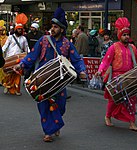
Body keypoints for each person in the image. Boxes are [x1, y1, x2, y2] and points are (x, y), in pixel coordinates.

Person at [15, 7, 86, 142]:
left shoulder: (67, 44)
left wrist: (81, 71)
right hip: (42, 79)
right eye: (52, 26)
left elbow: (76, 59)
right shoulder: (44, 40)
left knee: (61, 106)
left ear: (62, 29)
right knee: (43, 106)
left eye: (55, 27)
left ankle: (55, 123)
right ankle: (48, 131)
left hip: (59, 82)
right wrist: (21, 65)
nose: (52, 29)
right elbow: (32, 55)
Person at [95, 17, 137, 131]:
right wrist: (100, 71)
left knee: (131, 100)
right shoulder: (113, 47)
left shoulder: (133, 48)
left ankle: (131, 123)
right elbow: (106, 61)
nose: (126, 37)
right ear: (120, 35)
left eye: (127, 34)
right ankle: (108, 116)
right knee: (114, 100)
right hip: (117, 78)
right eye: (124, 35)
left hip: (130, 78)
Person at [2, 13, 29, 95]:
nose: (19, 30)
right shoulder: (10, 37)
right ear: (15, 29)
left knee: (17, 74)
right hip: (10, 57)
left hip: (18, 59)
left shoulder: (24, 38)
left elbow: (27, 48)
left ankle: (17, 90)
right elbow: (5, 46)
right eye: (18, 29)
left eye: (21, 29)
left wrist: (30, 55)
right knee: (9, 73)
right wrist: (2, 52)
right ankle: (7, 86)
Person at [0, 20, 8, 85]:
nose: (2, 32)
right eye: (0, 30)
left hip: (5, 55)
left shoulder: (8, 38)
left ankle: (4, 81)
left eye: (3, 30)